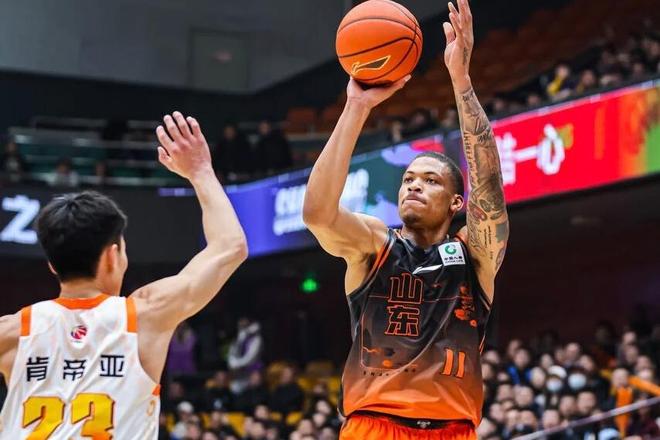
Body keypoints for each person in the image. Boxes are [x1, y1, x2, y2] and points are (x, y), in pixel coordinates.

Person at [302, 0, 509, 438]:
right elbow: (318, 214)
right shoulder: (375, 244)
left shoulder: (473, 257)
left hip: (453, 429)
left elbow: (489, 187)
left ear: (457, 203)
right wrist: (356, 107)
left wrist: (462, 82)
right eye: (408, 179)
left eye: (430, 181)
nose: (413, 186)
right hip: (374, 425)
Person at [0, 111, 248, 438]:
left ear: (52, 265)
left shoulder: (12, 331)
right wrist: (200, 171)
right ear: (112, 256)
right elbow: (230, 246)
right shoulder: (145, 314)